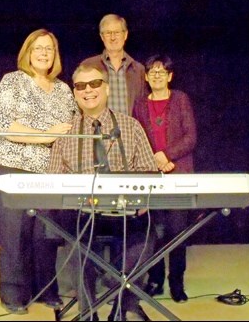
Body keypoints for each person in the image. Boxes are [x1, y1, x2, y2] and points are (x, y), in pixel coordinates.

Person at [47, 64, 166, 321]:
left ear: (107, 88)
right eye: (80, 86)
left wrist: (141, 200)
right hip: (83, 213)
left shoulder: (131, 126)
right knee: (78, 242)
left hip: (127, 212)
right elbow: (53, 182)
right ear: (75, 93)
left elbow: (148, 172)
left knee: (145, 235)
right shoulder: (66, 135)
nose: (88, 90)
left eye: (95, 84)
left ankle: (122, 307)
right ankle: (88, 312)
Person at [0, 28, 78, 314]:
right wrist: (48, 135)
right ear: (27, 52)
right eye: (37, 48)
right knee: (15, 232)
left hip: (50, 170)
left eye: (49, 49)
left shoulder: (63, 90)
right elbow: (7, 127)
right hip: (10, 162)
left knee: (46, 233)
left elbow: (74, 127)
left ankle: (45, 289)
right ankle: (13, 293)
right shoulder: (12, 82)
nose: (43, 53)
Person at [132, 54, 197, 303]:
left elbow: (190, 137)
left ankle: (177, 283)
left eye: (162, 71)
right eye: (152, 71)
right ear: (146, 77)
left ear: (170, 76)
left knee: (177, 231)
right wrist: (155, 160)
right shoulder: (139, 104)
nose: (157, 75)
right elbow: (136, 139)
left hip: (178, 172)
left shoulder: (180, 99)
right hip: (150, 174)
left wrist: (166, 156)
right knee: (153, 230)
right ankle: (155, 280)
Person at [80, 13, 147, 115]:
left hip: (130, 129)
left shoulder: (138, 70)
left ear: (125, 35)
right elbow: (80, 102)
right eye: (108, 33)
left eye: (117, 32)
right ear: (102, 37)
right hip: (98, 130)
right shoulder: (89, 66)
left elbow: (145, 109)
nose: (113, 38)